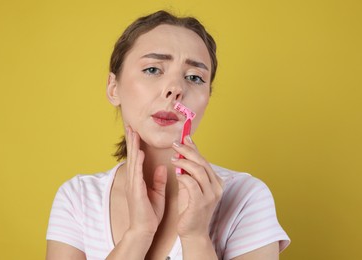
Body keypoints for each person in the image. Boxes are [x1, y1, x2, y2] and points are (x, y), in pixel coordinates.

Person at [46, 10, 290, 260]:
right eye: (153, 70)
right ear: (113, 87)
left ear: (207, 98)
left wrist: (195, 237)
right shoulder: (77, 199)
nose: (176, 88)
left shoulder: (245, 198)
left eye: (194, 77)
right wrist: (138, 234)